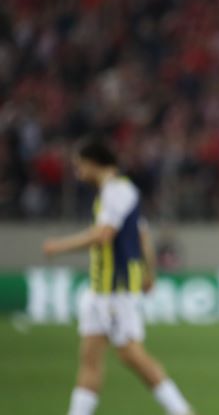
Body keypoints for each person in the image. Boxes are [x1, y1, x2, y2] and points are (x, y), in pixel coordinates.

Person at [42, 139, 193, 415]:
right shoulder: (111, 194)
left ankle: (182, 410)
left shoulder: (118, 192)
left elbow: (104, 235)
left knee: (131, 355)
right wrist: (149, 271)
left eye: (79, 165)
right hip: (100, 288)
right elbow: (141, 234)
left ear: (92, 162)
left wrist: (58, 246)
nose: (78, 172)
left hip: (116, 287)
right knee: (90, 358)